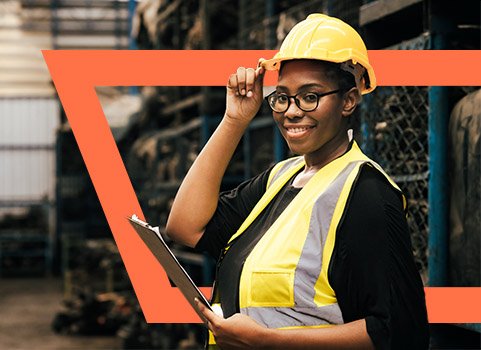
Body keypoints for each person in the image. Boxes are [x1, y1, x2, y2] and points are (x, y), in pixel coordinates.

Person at [166, 13, 429, 350]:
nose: (291, 111)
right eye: (282, 96)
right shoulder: (280, 179)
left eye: (310, 96)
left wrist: (269, 341)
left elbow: (399, 332)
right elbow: (184, 226)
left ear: (349, 100)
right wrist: (234, 119)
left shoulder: (365, 195)